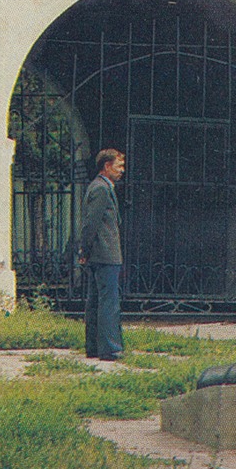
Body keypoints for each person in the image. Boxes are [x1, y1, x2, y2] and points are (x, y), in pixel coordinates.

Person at [79, 148, 126, 362]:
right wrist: (84, 250)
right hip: (105, 254)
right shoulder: (101, 189)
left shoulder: (101, 187)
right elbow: (91, 223)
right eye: (119, 166)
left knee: (96, 301)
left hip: (99, 254)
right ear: (107, 166)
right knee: (108, 302)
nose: (122, 170)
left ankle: (94, 347)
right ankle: (110, 348)